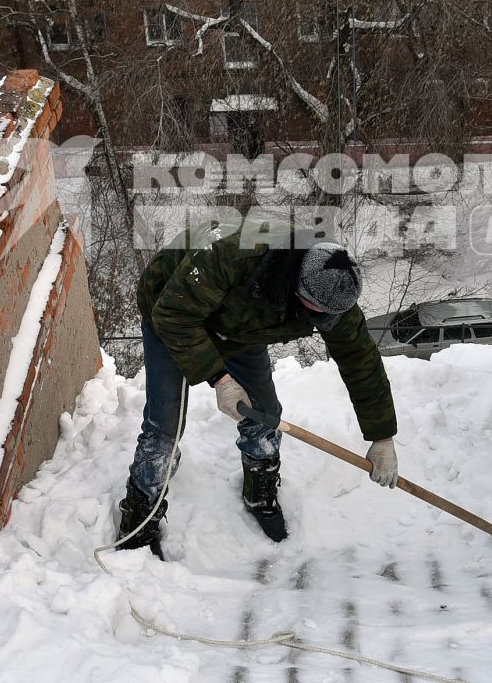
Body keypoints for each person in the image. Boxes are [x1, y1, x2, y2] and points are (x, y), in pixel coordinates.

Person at [117, 222, 398, 557]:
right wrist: (219, 379)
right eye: (316, 311)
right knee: (165, 425)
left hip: (242, 326)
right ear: (297, 288)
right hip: (172, 310)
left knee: (265, 413)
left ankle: (259, 492)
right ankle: (139, 514)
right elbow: (173, 315)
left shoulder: (334, 288)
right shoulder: (234, 258)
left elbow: (360, 360)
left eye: (330, 314)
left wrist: (382, 436)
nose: (324, 319)